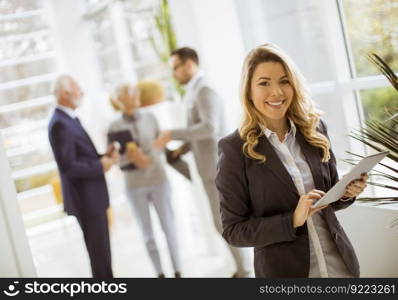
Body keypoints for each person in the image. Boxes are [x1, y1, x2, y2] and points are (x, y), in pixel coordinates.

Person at [215, 44, 369, 278]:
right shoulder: (234, 149)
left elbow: (329, 201)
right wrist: (292, 220)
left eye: (284, 81)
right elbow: (234, 231)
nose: (276, 92)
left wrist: (347, 192)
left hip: (339, 266)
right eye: (264, 83)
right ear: (248, 90)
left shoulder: (314, 129)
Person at [154, 47, 247, 277]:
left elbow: (209, 128)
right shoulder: (194, 92)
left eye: (175, 67)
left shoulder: (205, 90)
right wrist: (182, 149)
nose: (173, 73)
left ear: (189, 65)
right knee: (221, 222)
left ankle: (245, 269)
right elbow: (202, 132)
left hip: (218, 167)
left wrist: (172, 133)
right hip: (208, 168)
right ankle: (242, 267)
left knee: (224, 222)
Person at [108, 83, 181, 278]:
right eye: (130, 92)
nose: (136, 94)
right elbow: (115, 158)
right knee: (147, 232)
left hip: (158, 179)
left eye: (136, 91)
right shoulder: (114, 126)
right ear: (120, 100)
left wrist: (148, 155)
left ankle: (178, 271)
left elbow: (160, 145)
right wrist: (130, 159)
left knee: (169, 227)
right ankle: (159, 274)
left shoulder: (150, 117)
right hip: (134, 185)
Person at [48, 75, 118, 278]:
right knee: (99, 257)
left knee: (103, 255)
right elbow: (69, 166)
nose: (82, 93)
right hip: (86, 200)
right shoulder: (59, 124)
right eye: (78, 89)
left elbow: (80, 156)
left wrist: (103, 156)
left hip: (93, 198)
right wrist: (100, 165)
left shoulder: (70, 119)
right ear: (64, 94)